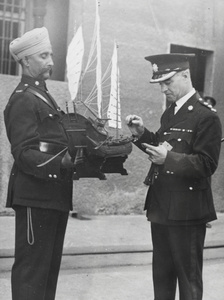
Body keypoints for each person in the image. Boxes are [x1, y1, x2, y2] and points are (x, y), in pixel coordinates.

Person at [126, 53, 222, 300]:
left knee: (188, 284)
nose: (162, 89)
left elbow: (207, 164)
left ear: (185, 75)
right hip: (162, 206)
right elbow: (163, 145)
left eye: (167, 82)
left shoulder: (206, 116)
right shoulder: (171, 112)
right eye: (160, 83)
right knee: (162, 278)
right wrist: (142, 134)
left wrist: (167, 159)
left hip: (187, 212)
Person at [4, 27, 75, 300]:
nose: (51, 62)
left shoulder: (42, 95)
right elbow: (23, 153)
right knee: (32, 272)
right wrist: (63, 163)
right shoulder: (23, 98)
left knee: (47, 273)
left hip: (53, 195)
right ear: (25, 61)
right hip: (36, 197)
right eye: (43, 55)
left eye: (51, 55)